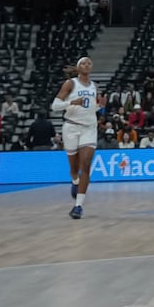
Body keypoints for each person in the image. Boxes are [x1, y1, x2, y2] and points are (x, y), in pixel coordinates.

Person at [52, 58, 103, 219]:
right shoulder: (70, 84)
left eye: (89, 63)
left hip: (89, 128)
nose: (87, 65)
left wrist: (100, 106)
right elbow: (54, 106)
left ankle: (78, 206)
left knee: (85, 166)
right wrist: (71, 102)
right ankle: (74, 181)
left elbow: (91, 108)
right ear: (79, 68)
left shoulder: (95, 86)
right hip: (71, 127)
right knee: (74, 169)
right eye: (84, 63)